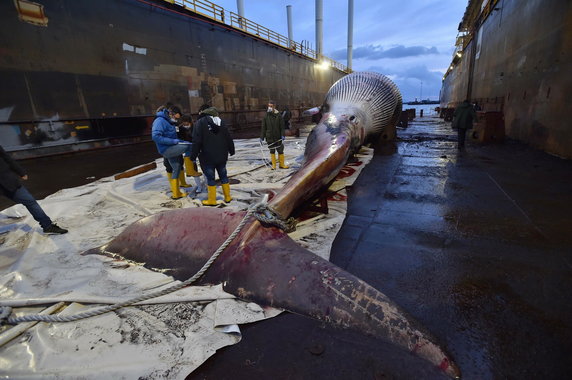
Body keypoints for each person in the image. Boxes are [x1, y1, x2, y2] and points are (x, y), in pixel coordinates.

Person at [0, 145, 68, 234]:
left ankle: (48, 226)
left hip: (7, 180)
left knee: (30, 201)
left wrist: (20, 171)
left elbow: (6, 157)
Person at [152, 105, 200, 199]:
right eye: (172, 115)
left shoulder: (168, 121)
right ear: (167, 113)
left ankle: (176, 193)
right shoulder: (159, 121)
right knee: (190, 146)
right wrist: (173, 141)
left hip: (171, 147)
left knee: (177, 167)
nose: (173, 117)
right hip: (167, 149)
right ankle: (190, 170)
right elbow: (155, 136)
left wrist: (179, 141)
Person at [190, 106, 235, 206]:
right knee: (223, 175)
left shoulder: (199, 123)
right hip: (222, 155)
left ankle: (212, 200)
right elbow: (228, 137)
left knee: (211, 178)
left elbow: (196, 141)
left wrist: (193, 155)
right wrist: (232, 150)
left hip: (207, 156)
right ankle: (228, 197)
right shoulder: (220, 122)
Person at [261, 101, 288, 170]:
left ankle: (282, 164)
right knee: (272, 151)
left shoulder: (278, 116)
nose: (269, 108)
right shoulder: (266, 116)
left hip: (278, 136)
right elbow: (263, 127)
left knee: (280, 150)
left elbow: (282, 127)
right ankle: (274, 165)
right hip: (269, 136)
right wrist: (262, 137)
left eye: (271, 106)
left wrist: (283, 135)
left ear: (274, 107)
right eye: (269, 106)